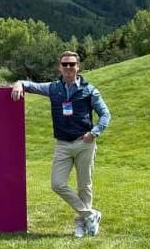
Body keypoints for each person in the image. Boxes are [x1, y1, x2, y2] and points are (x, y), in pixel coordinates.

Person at [11, 51, 111, 238]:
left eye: (72, 64)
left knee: (84, 186)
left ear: (78, 67)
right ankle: (91, 214)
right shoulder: (53, 88)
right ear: (59, 67)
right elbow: (29, 85)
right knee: (57, 184)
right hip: (63, 144)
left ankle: (82, 225)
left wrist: (95, 132)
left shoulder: (89, 90)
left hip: (84, 143)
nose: (68, 68)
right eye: (64, 64)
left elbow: (105, 114)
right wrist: (19, 83)